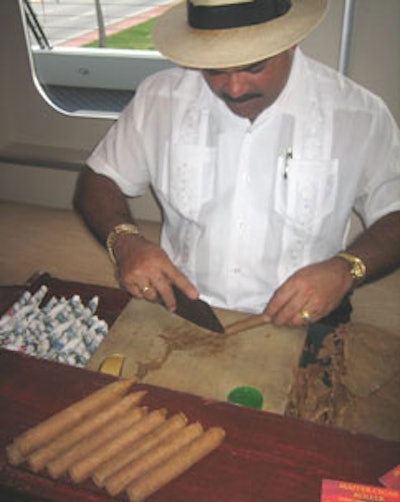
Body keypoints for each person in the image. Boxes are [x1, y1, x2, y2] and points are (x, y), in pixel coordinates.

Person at [74, 0, 400, 330]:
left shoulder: (360, 115)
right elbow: (99, 177)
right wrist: (125, 241)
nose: (234, 88)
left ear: (291, 41)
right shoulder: (159, 98)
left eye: (254, 66)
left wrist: (348, 268)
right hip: (186, 308)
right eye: (215, 69)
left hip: (307, 317)